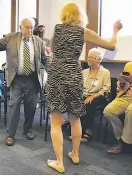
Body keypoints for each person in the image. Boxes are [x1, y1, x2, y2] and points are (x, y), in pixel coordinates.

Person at [45, 2, 122, 173]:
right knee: (75, 118)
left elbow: (52, 51)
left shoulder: (57, 29)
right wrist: (116, 30)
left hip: (57, 74)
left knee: (56, 121)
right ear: (80, 16)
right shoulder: (83, 32)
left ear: (64, 15)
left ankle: (59, 161)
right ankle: (75, 153)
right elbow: (111, 45)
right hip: (73, 75)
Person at [0, 18, 49, 146]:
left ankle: (27, 130)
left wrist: (52, 72)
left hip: (33, 79)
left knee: (31, 107)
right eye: (26, 27)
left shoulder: (39, 42)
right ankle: (10, 134)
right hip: (16, 78)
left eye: (31, 28)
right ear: (20, 27)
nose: (29, 30)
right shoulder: (11, 38)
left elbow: (45, 59)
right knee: (14, 105)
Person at [68, 48, 111, 142]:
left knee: (89, 103)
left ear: (99, 59)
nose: (89, 59)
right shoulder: (84, 72)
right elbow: (79, 86)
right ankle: (76, 128)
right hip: (84, 95)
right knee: (74, 101)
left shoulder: (105, 72)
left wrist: (93, 96)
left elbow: (106, 89)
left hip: (98, 96)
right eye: (88, 57)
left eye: (92, 57)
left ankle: (88, 131)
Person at [104, 62, 132, 155]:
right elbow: (121, 87)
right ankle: (120, 139)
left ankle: (125, 142)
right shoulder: (129, 65)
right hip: (126, 97)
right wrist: (122, 80)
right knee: (108, 111)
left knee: (130, 111)